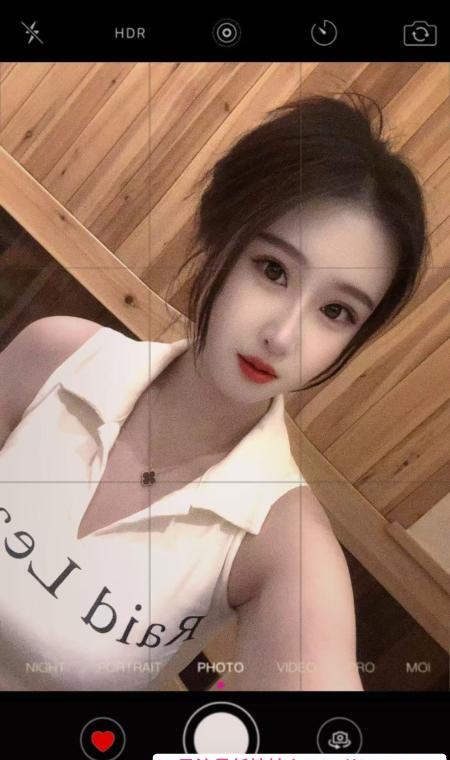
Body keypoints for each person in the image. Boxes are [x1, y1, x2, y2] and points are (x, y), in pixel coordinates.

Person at [0, 92, 429, 691]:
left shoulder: (282, 543)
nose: (283, 336)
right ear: (219, 231)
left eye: (336, 312)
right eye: (273, 270)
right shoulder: (57, 356)